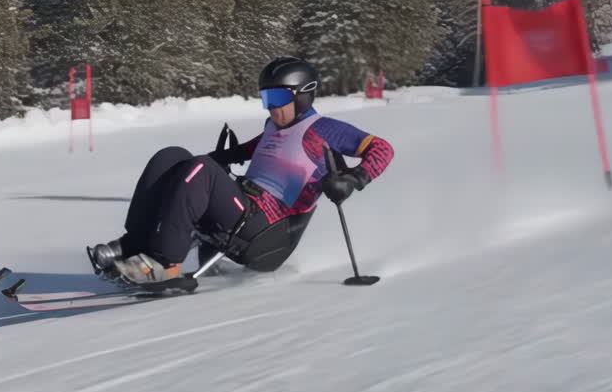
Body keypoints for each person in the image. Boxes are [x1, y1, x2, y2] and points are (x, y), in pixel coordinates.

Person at [88, 56, 394, 285]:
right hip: (243, 207)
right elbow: (258, 147)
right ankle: (133, 243)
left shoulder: (324, 129)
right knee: (171, 157)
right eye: (267, 98)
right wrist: (224, 156)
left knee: (201, 169)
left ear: (302, 94)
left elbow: (382, 149)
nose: (271, 107)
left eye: (278, 98)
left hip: (264, 231)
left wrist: (354, 178)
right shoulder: (274, 126)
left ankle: (165, 265)